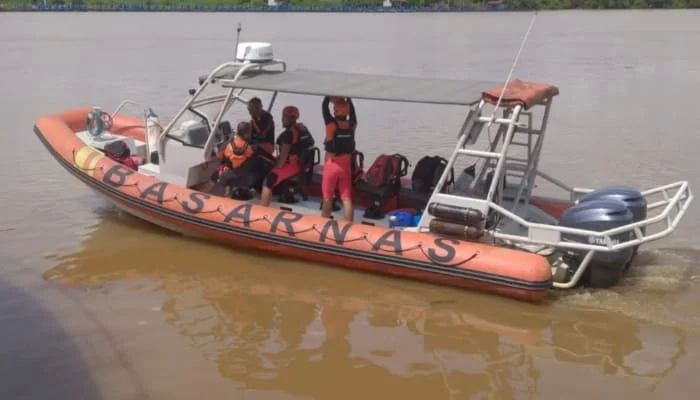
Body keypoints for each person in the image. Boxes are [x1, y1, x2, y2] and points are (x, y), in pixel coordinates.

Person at [260, 106, 315, 207]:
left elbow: (281, 163)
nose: (282, 119)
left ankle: (263, 208)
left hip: (292, 166)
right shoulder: (303, 129)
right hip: (303, 165)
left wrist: (273, 164)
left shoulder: (287, 135)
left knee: (268, 181)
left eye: (283, 117)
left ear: (286, 118)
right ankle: (304, 196)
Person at [321, 96, 357, 222]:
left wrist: (327, 96)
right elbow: (353, 113)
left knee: (327, 197)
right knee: (346, 198)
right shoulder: (352, 125)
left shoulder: (331, 125)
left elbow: (324, 108)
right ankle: (349, 225)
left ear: (335, 110)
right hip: (345, 166)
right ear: (347, 111)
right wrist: (348, 98)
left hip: (332, 164)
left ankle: (323, 224)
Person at [216, 121, 256, 198]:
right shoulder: (251, 148)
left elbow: (219, 157)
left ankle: (225, 195)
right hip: (244, 177)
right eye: (250, 132)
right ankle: (234, 193)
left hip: (228, 175)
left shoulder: (227, 144)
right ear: (246, 134)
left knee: (222, 172)